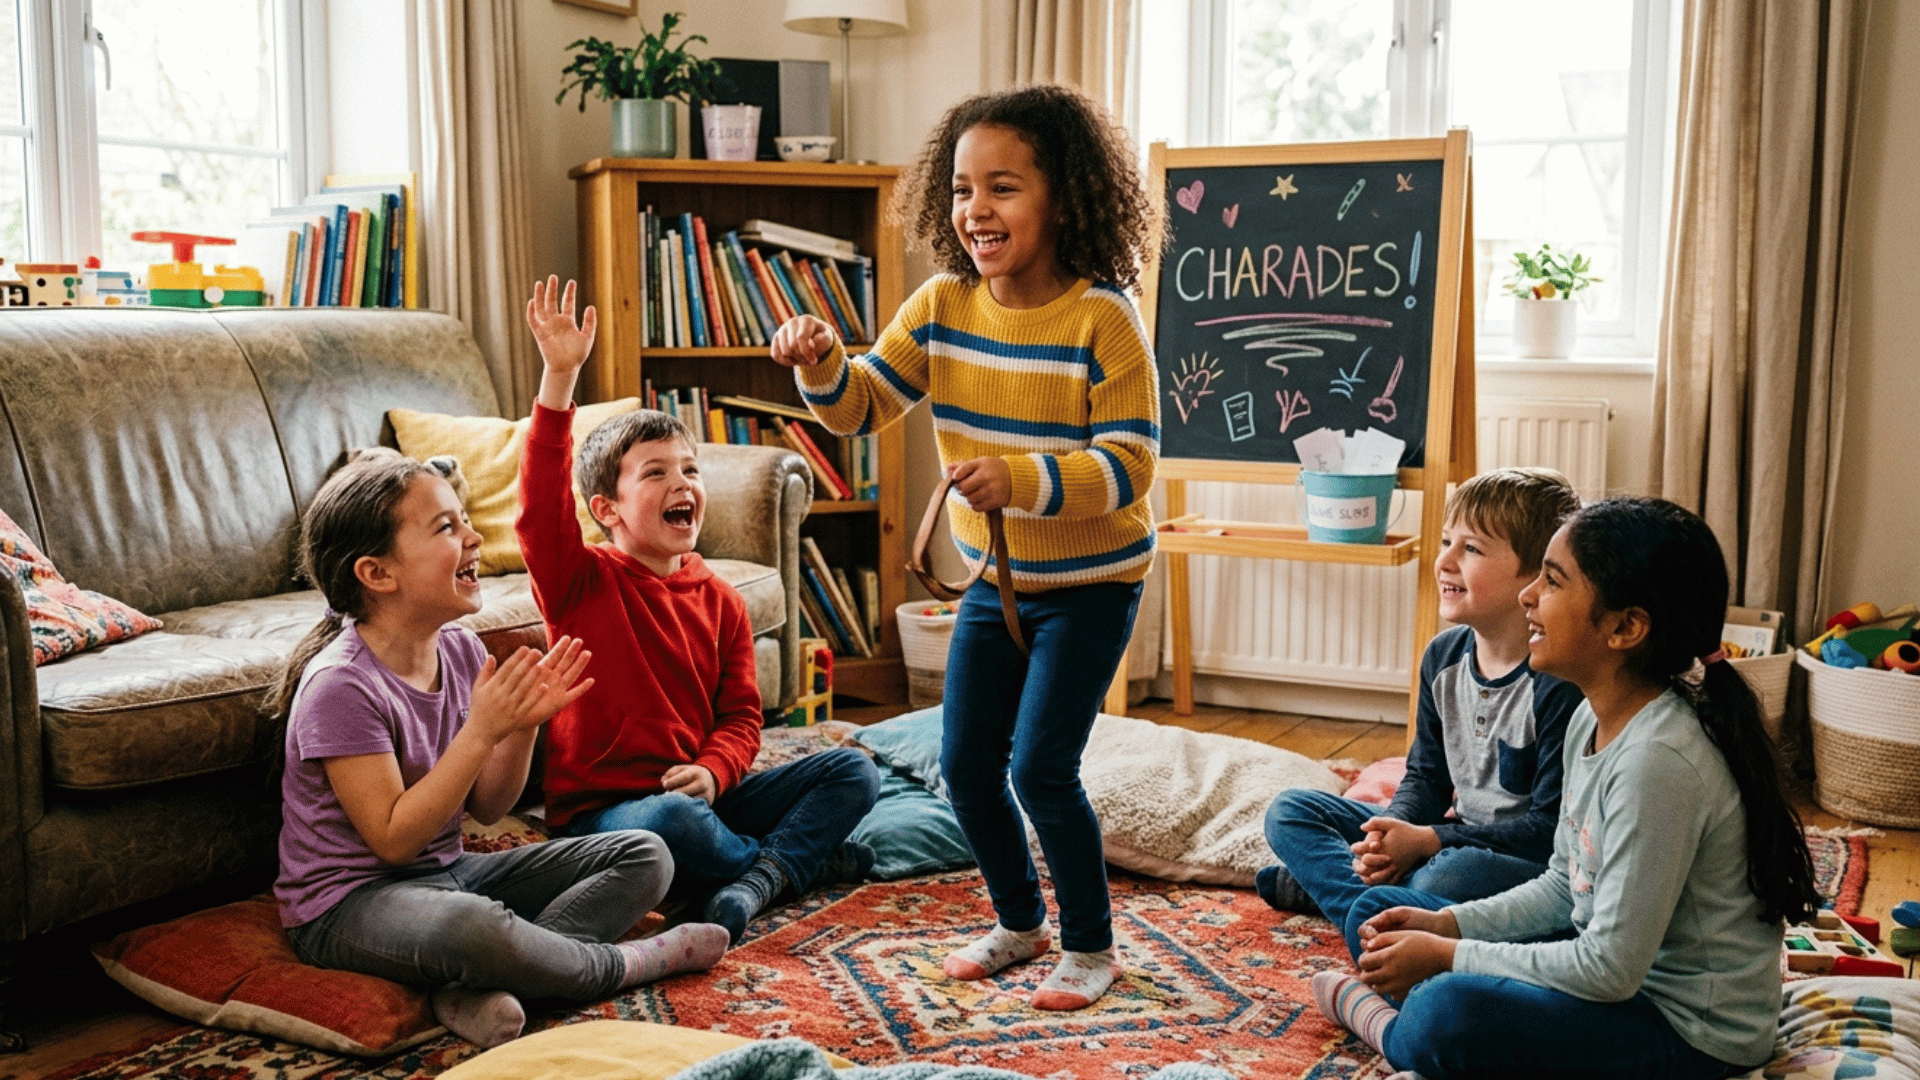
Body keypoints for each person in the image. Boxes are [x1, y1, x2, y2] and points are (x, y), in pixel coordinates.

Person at [769, 84, 1162, 1011]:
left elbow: (1134, 464)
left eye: (1003, 188)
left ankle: (1092, 947)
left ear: (1063, 198)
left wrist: (1020, 479)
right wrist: (823, 361)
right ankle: (1021, 924)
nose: (974, 211)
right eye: (959, 190)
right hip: (997, 578)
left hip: (1094, 581)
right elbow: (863, 405)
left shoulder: (1103, 316)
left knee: (1039, 769)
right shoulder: (943, 303)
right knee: (964, 767)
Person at [1312, 497, 1820, 1080]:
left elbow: (1608, 969)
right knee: (1385, 912)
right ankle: (1426, 1017)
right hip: (1619, 982)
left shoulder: (1657, 763)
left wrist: (1451, 955)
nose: (1528, 595)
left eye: (1551, 582)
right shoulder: (1591, 716)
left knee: (1443, 1009)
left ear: (1625, 627)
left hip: (1689, 1032)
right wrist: (1447, 927)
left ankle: (1391, 1031)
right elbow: (1562, 886)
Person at [267, 453, 728, 1050]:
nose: (474, 537)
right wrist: (481, 732)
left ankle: (477, 984)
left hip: (446, 874)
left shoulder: (457, 648)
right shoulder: (340, 686)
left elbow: (488, 808)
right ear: (377, 574)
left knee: (647, 855)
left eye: (464, 520)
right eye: (445, 528)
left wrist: (522, 726)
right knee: (473, 927)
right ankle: (624, 965)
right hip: (348, 902)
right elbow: (393, 840)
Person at [520, 276, 881, 946]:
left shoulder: (721, 600)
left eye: (689, 470)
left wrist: (715, 770)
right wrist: (559, 377)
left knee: (853, 768)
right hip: (609, 815)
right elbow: (539, 502)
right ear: (606, 511)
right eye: (654, 473)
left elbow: (742, 717)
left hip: (700, 794)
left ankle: (752, 880)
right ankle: (791, 865)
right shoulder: (579, 580)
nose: (681, 483)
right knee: (671, 825)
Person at [1260, 468, 1584, 957]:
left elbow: (1547, 830)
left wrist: (1429, 840)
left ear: (1535, 576)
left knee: (1452, 874)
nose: (1445, 560)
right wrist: (1390, 835)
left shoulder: (1558, 680)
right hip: (1446, 833)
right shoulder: (1443, 657)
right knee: (1291, 810)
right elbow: (1427, 777)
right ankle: (1377, 905)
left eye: (1470, 549)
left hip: (1510, 860)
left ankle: (1344, 896)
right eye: (1446, 542)